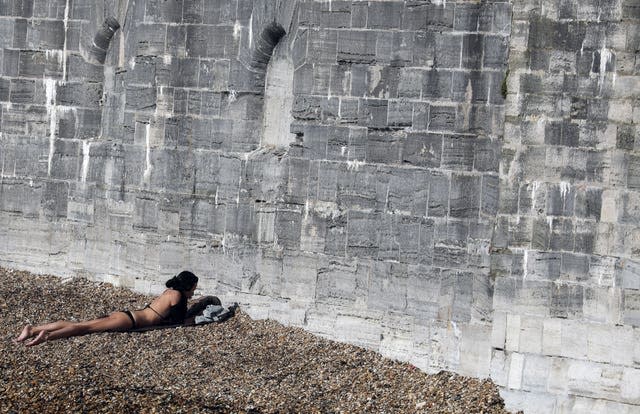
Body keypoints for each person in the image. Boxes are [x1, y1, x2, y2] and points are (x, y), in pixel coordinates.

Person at [14, 270, 216, 347]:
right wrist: (194, 319)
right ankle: (46, 336)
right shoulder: (178, 296)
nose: (193, 293)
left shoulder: (169, 292)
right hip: (130, 321)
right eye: (194, 289)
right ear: (188, 286)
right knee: (83, 328)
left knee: (81, 324)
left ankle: (32, 329)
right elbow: (178, 322)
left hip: (127, 315)